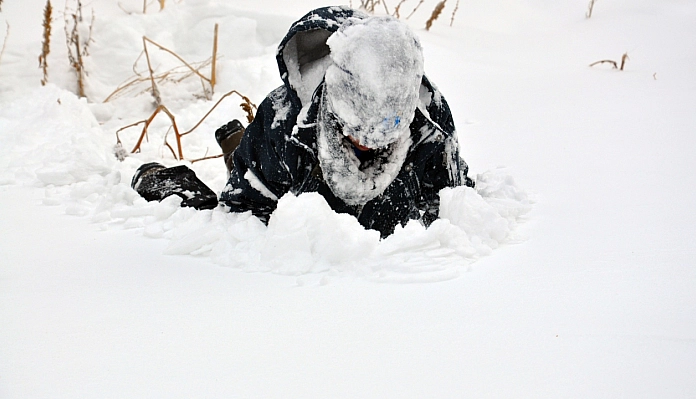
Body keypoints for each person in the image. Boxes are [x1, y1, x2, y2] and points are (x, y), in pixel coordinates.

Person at [131, 6, 474, 238]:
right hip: (296, 207)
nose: (369, 143)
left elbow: (454, 199)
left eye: (386, 130)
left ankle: (238, 142)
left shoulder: (431, 119)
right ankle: (212, 158)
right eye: (357, 129)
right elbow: (242, 216)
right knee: (234, 194)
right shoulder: (283, 123)